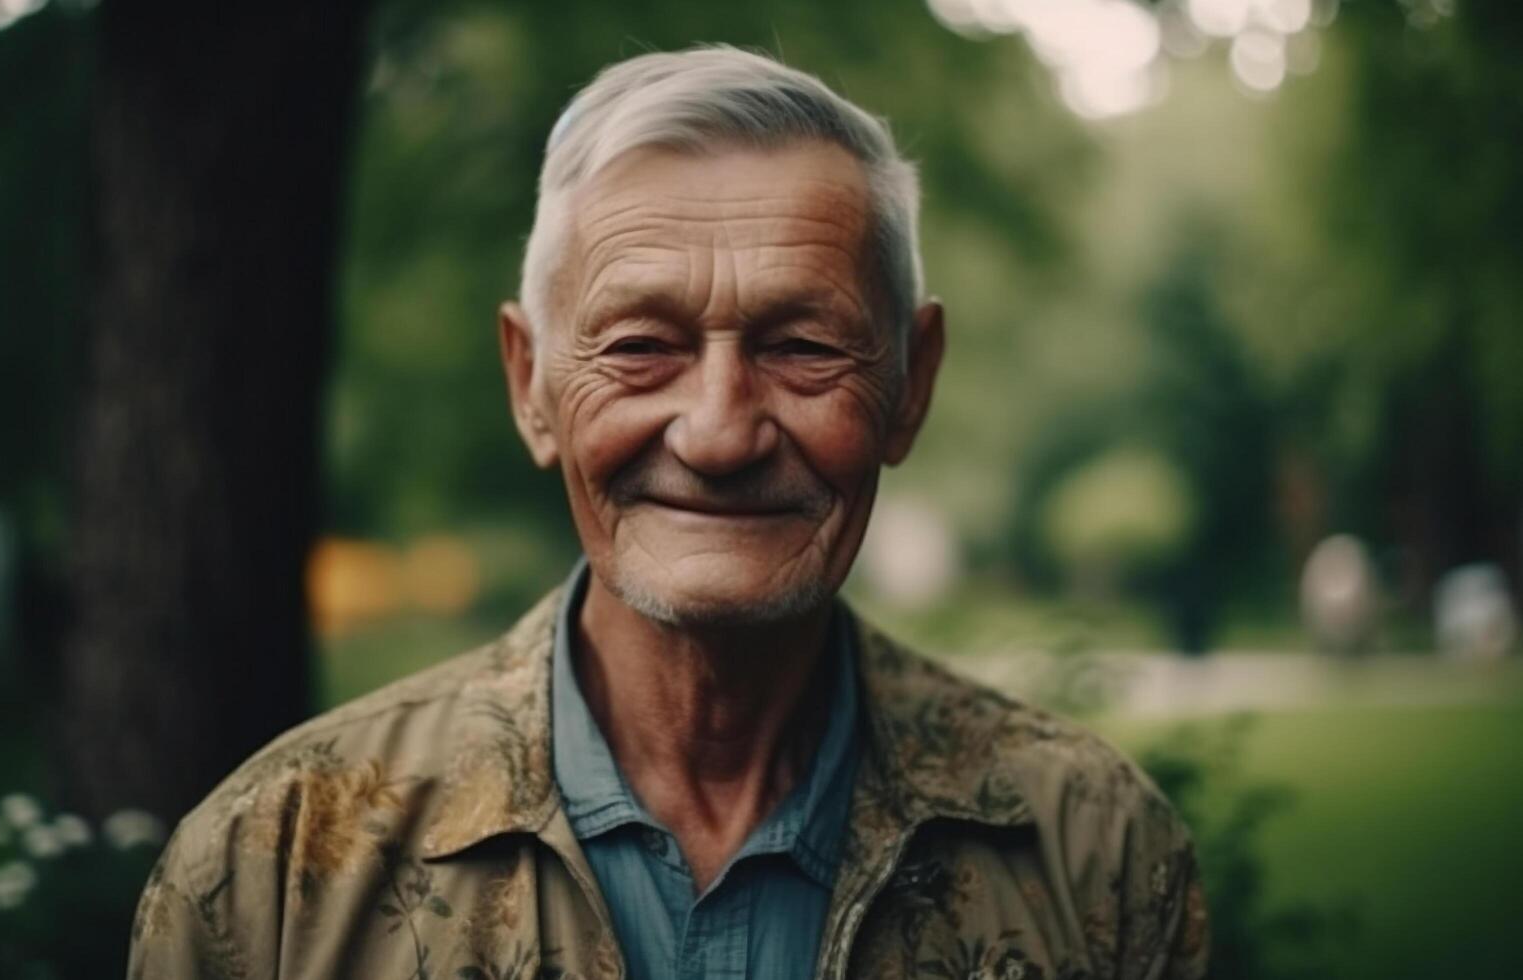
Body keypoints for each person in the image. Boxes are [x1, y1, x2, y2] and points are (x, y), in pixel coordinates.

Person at [128, 46, 1207, 980]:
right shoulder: (269, 873)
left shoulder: (1090, 852)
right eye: (640, 347)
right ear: (529, 385)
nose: (717, 431)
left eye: (801, 346)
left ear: (909, 384)